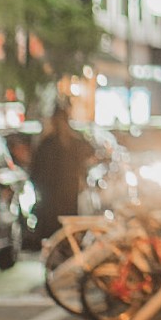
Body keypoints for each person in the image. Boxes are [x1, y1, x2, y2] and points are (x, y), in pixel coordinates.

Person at [28, 104, 94, 244]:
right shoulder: (73, 142)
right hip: (68, 196)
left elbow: (35, 171)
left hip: (51, 198)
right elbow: (86, 161)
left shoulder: (47, 143)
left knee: (53, 235)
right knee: (67, 233)